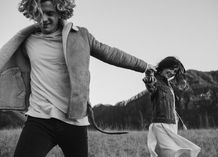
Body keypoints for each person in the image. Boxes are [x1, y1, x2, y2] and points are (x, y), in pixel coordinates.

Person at [0, 0, 156, 157]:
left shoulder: (80, 35)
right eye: (38, 14)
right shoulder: (28, 41)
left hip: (74, 121)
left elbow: (110, 53)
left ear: (61, 12)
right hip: (39, 119)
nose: (44, 19)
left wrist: (144, 66)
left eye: (50, 13)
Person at [143, 56, 201, 157]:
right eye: (171, 69)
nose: (172, 73)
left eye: (174, 72)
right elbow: (151, 86)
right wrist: (149, 77)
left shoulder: (168, 84)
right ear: (165, 65)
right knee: (172, 153)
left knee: (172, 153)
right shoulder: (156, 79)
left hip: (172, 124)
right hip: (161, 124)